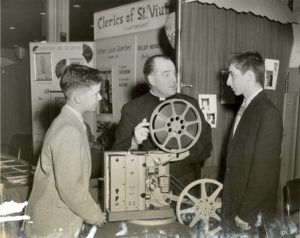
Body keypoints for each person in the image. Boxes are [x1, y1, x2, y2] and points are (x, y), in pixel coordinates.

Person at [23, 65, 106, 237]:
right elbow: (70, 189)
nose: (99, 97)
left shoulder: (69, 121)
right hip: (56, 224)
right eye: (95, 93)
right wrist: (95, 215)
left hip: (56, 221)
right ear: (77, 98)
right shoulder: (69, 129)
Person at [112, 55, 212, 188]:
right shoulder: (132, 109)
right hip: (147, 185)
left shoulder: (190, 105)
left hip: (184, 186)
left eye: (174, 73)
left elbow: (206, 145)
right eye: (166, 74)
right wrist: (134, 141)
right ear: (151, 79)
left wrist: (185, 153)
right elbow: (118, 153)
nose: (174, 79)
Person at [221, 52, 283, 235]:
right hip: (234, 206)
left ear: (249, 76)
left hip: (248, 214)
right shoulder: (246, 106)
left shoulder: (268, 114)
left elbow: (264, 172)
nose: (227, 83)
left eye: (232, 75)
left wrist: (246, 213)